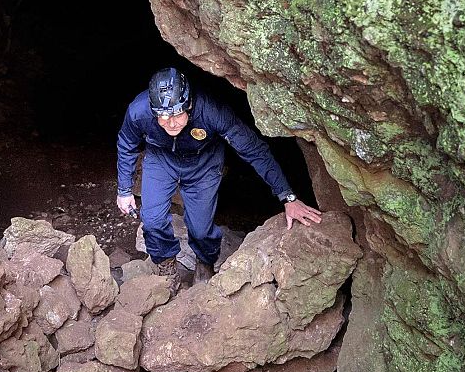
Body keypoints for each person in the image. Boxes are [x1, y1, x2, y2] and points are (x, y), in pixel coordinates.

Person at [115, 67, 322, 285]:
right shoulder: (139, 111)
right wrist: (125, 190)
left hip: (203, 162)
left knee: (201, 229)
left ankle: (204, 264)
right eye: (163, 117)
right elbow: (127, 144)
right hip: (161, 159)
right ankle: (166, 266)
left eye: (176, 114)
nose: (171, 123)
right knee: (153, 220)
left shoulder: (211, 111)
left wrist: (287, 196)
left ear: (189, 104)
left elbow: (253, 149)